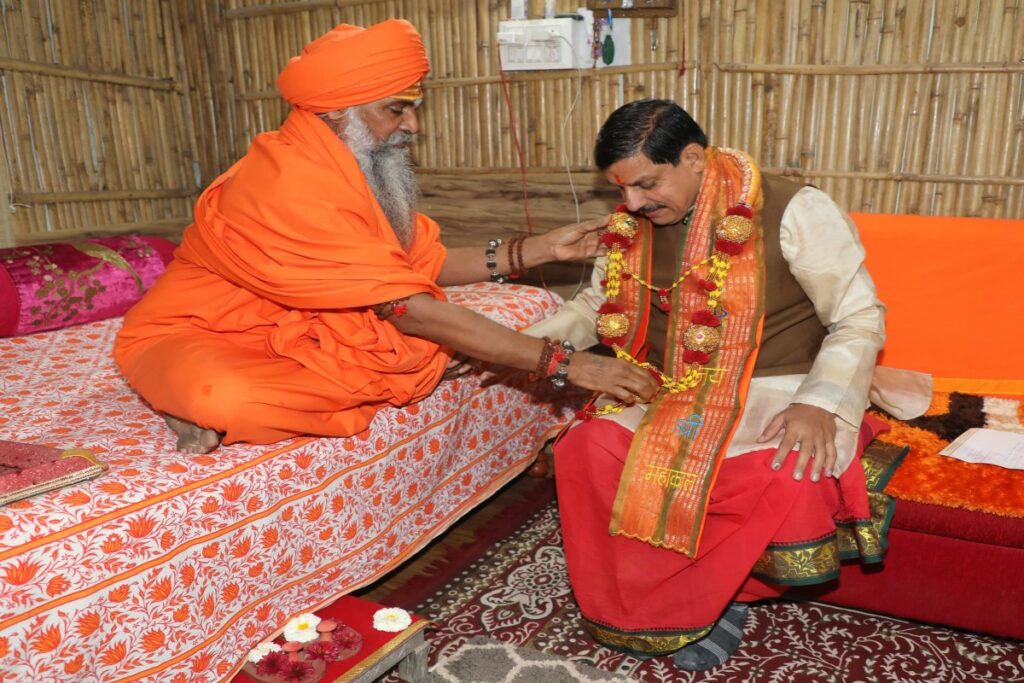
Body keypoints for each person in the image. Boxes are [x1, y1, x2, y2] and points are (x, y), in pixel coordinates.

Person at [114, 20, 658, 454]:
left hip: (294, 329)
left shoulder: (350, 168)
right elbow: (411, 308)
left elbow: (422, 263)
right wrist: (570, 363)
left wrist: (541, 248)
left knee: (415, 360)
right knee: (230, 397)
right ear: (337, 112)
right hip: (193, 333)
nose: (412, 127)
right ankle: (179, 400)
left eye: (411, 110)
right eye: (395, 110)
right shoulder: (285, 181)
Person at [523, 99, 928, 670]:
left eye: (647, 185)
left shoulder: (794, 208)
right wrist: (524, 347)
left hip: (780, 385)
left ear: (693, 157)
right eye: (624, 190)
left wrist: (818, 403)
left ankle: (724, 595)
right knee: (587, 448)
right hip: (670, 388)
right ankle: (656, 601)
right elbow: (596, 304)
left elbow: (859, 316)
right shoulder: (631, 222)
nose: (634, 204)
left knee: (784, 473)